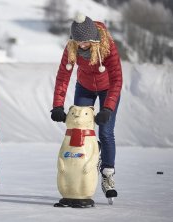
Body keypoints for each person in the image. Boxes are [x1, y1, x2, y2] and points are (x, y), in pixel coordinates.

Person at [50, 13, 123, 198]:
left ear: (93, 38)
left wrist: (107, 108)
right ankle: (79, 169)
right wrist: (58, 105)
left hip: (108, 89)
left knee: (106, 132)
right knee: (79, 129)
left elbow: (116, 79)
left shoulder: (107, 46)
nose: (81, 45)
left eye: (85, 42)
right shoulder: (72, 46)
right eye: (78, 41)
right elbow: (62, 77)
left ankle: (107, 174)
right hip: (84, 87)